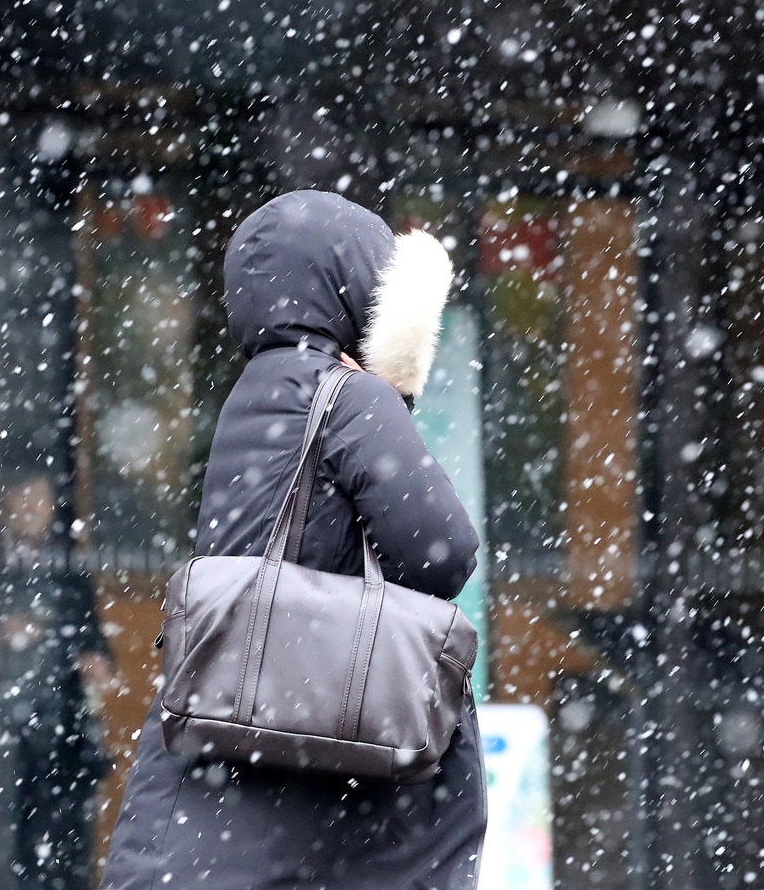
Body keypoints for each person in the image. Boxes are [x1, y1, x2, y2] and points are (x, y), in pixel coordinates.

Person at [101, 190, 486, 889]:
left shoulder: (252, 392)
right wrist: (391, 403)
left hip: (236, 755)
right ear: (358, 287)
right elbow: (443, 551)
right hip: (329, 754)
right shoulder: (347, 395)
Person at [0, 472, 116, 890]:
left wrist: (96, 662)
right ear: (6, 503)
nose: (33, 509)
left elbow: (94, 641)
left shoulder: (67, 565)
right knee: (11, 845)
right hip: (5, 732)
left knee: (67, 847)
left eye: (42, 500)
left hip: (64, 734)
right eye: (24, 497)